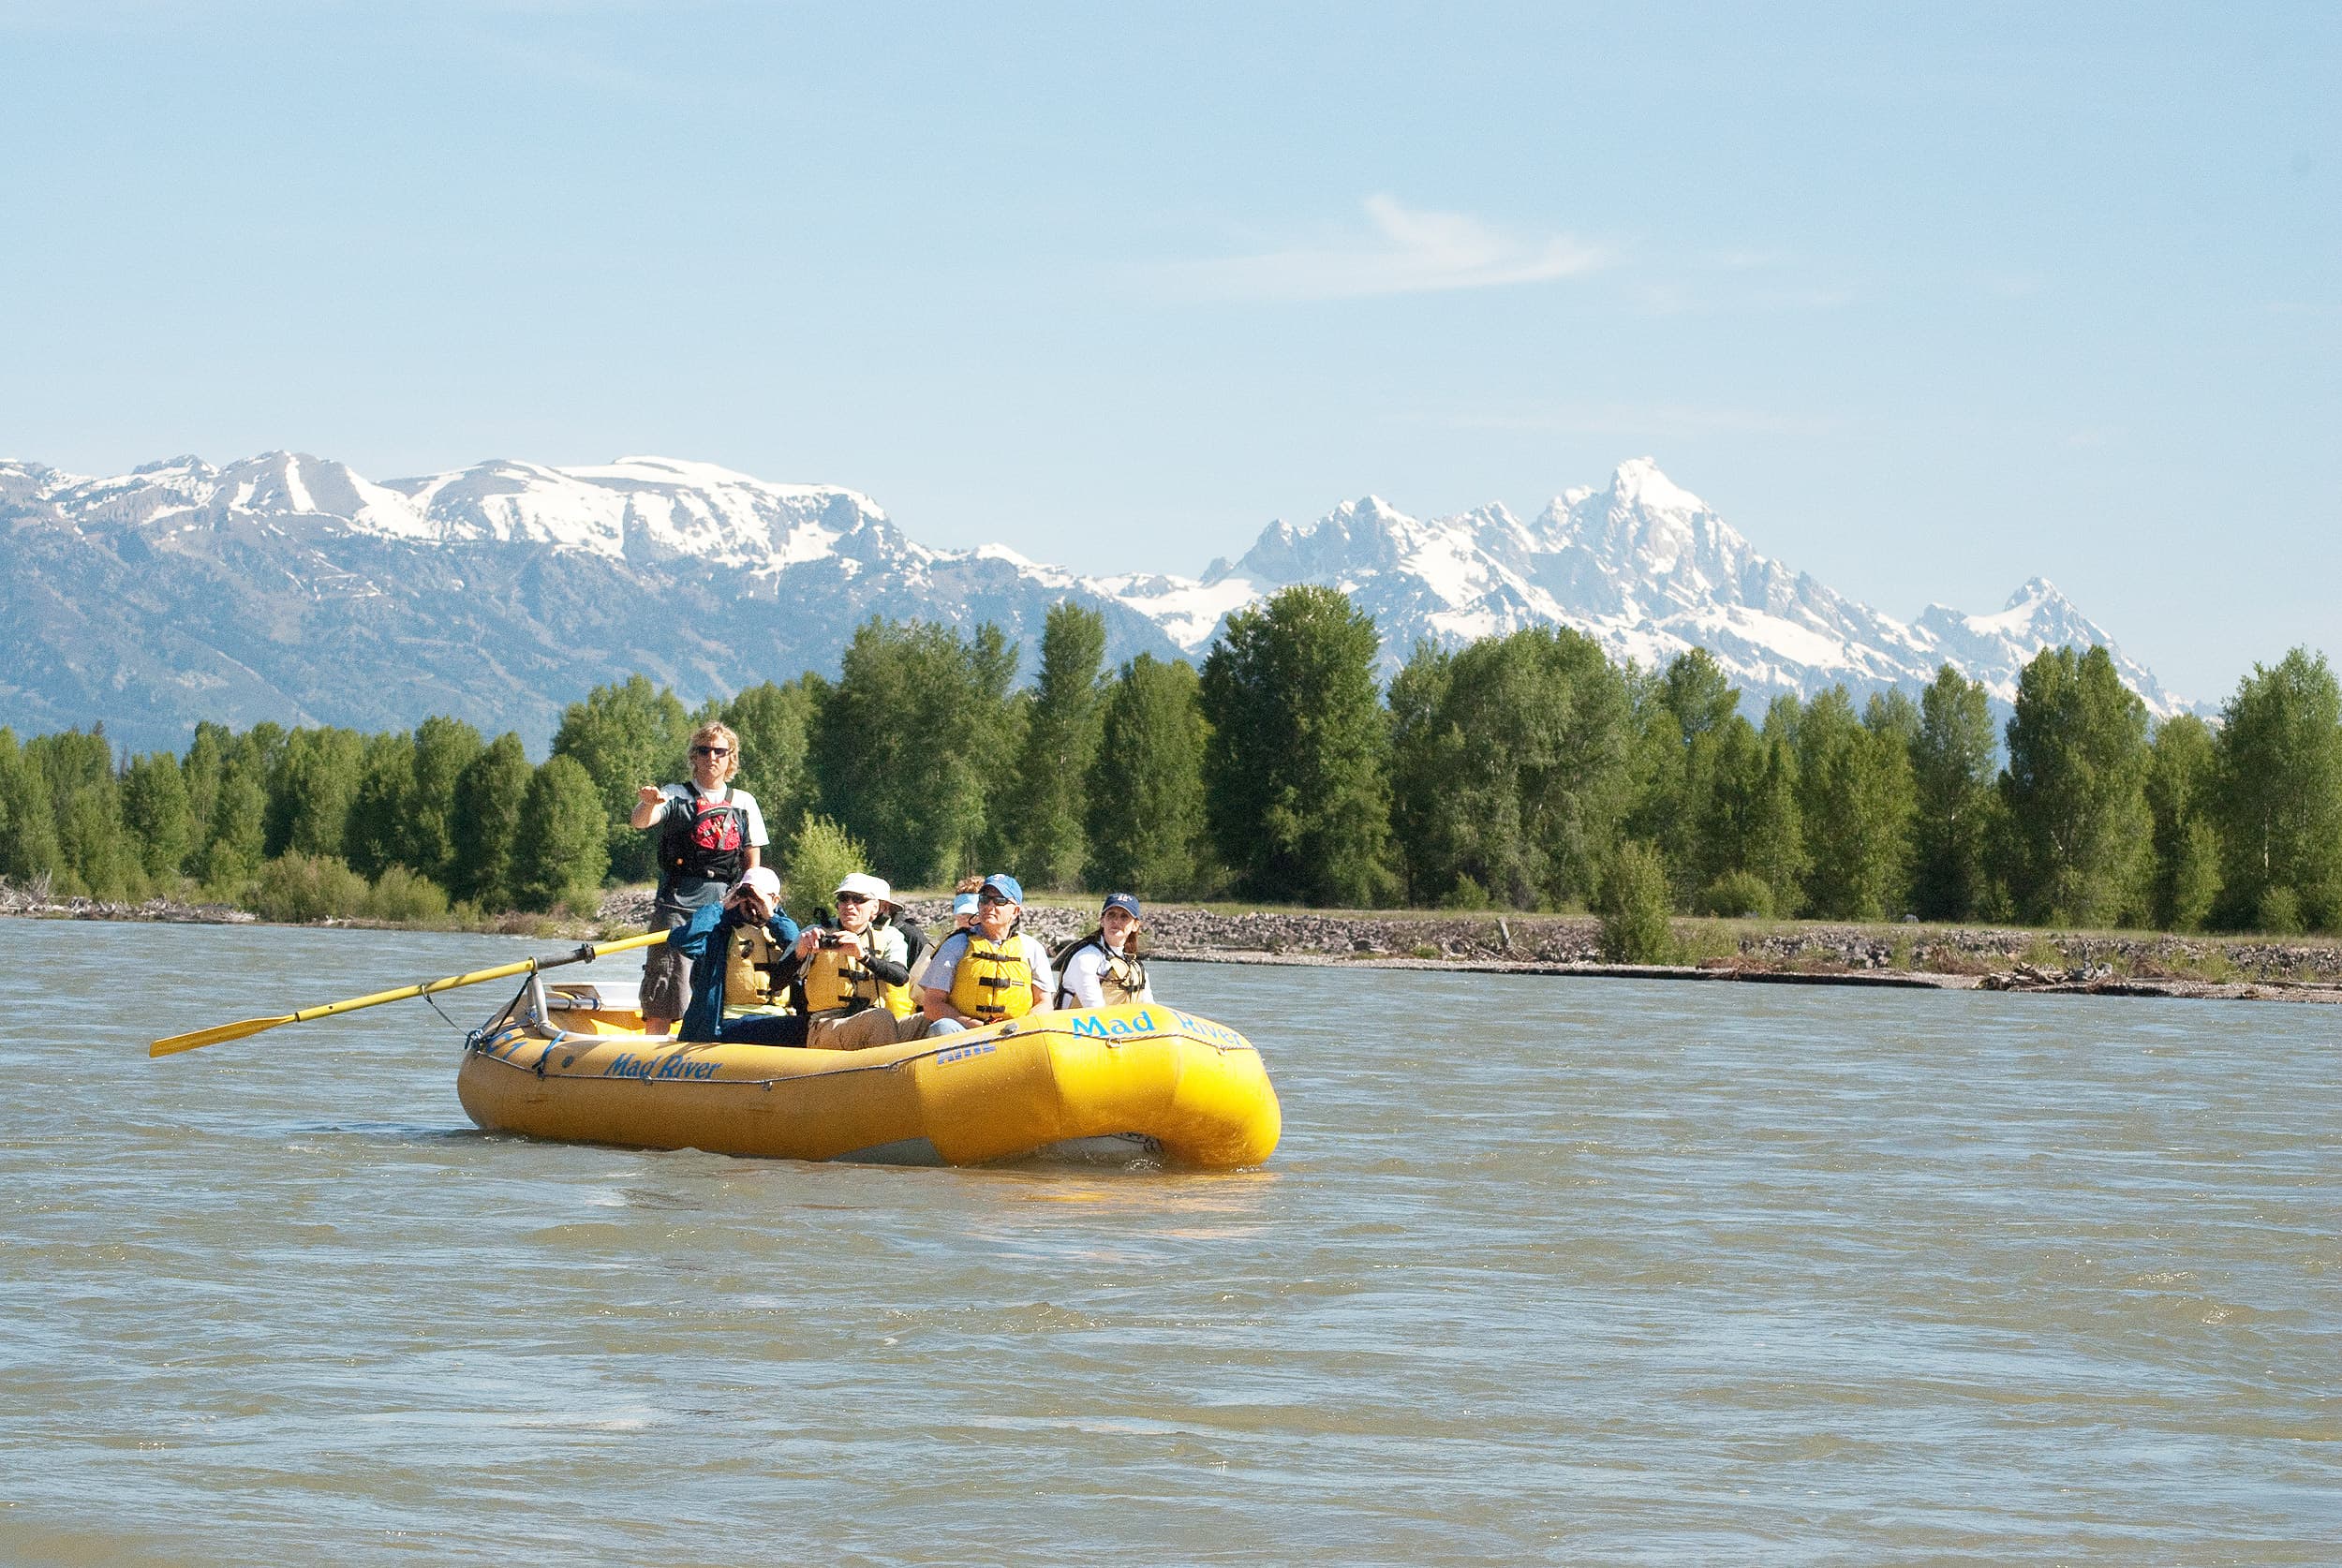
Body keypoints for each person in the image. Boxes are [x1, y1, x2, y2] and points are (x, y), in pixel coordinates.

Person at [629, 721, 768, 1035]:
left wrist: (750, 902)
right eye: (704, 750)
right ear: (694, 756)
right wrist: (648, 802)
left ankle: (706, 1047)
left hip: (722, 909)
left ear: (731, 757)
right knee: (666, 984)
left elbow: (752, 861)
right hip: (676, 907)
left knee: (715, 986)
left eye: (719, 751)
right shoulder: (675, 794)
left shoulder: (744, 802)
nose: (711, 757)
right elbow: (641, 821)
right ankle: (653, 1049)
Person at [765, 872, 916, 1050]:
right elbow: (776, 984)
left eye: (858, 899)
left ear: (875, 908)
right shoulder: (814, 934)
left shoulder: (889, 936)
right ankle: (887, 1067)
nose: (849, 905)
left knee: (929, 1021)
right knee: (880, 1018)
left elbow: (900, 978)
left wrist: (863, 956)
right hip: (826, 1024)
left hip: (871, 1018)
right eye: (844, 898)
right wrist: (799, 953)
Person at [671, 867, 805, 1045]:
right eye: (746, 896)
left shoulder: (782, 930)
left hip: (779, 1020)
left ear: (775, 900)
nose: (751, 904)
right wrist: (722, 905)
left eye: (758, 897)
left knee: (807, 1026)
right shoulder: (720, 931)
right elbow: (683, 941)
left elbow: (798, 950)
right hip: (728, 1023)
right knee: (788, 1028)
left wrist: (771, 916)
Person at [918, 873, 1056, 1036]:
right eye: (984, 899)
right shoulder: (955, 945)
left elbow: (1044, 1003)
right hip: (966, 1032)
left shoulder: (1032, 948)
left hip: (1016, 1035)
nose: (989, 906)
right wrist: (974, 1025)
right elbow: (932, 1004)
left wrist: (1020, 1028)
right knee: (942, 1027)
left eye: (999, 901)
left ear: (1015, 911)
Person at [1054, 892, 1155, 1010]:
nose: (1116, 921)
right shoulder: (1085, 958)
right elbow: (1094, 1008)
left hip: (1117, 1020)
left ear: (1135, 925)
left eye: (1124, 917)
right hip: (1082, 1020)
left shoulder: (1136, 967)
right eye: (1111, 915)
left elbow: (1150, 1008)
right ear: (1102, 921)